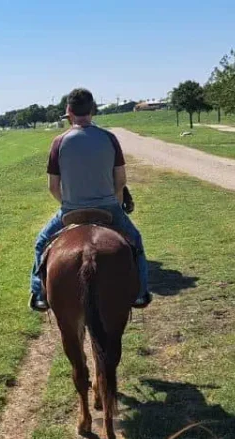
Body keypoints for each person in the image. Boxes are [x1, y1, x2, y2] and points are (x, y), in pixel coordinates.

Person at [30, 87, 151, 312]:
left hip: (71, 209)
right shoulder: (110, 138)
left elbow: (53, 186)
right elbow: (120, 180)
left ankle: (39, 293)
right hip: (108, 207)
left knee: (41, 243)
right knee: (135, 240)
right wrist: (114, 203)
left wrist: (68, 204)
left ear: (69, 110)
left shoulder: (59, 142)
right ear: (92, 110)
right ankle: (141, 292)